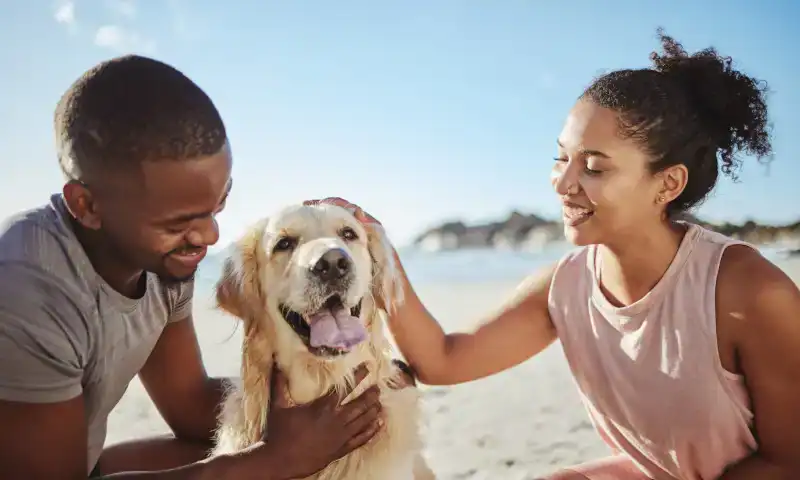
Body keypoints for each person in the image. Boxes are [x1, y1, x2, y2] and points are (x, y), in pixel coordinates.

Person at [317, 31, 800, 479]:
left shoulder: (750, 292)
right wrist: (378, 252)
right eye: (560, 158)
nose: (564, 184)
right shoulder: (568, 286)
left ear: (668, 183)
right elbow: (444, 360)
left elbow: (788, 462)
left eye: (593, 167)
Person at [0, 55, 413, 480]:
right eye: (178, 221)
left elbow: (189, 405)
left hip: (79, 463)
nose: (209, 235)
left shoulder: (160, 259)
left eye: (217, 205)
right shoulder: (26, 286)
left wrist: (339, 407)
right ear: (87, 205)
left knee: (236, 442)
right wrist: (276, 458)